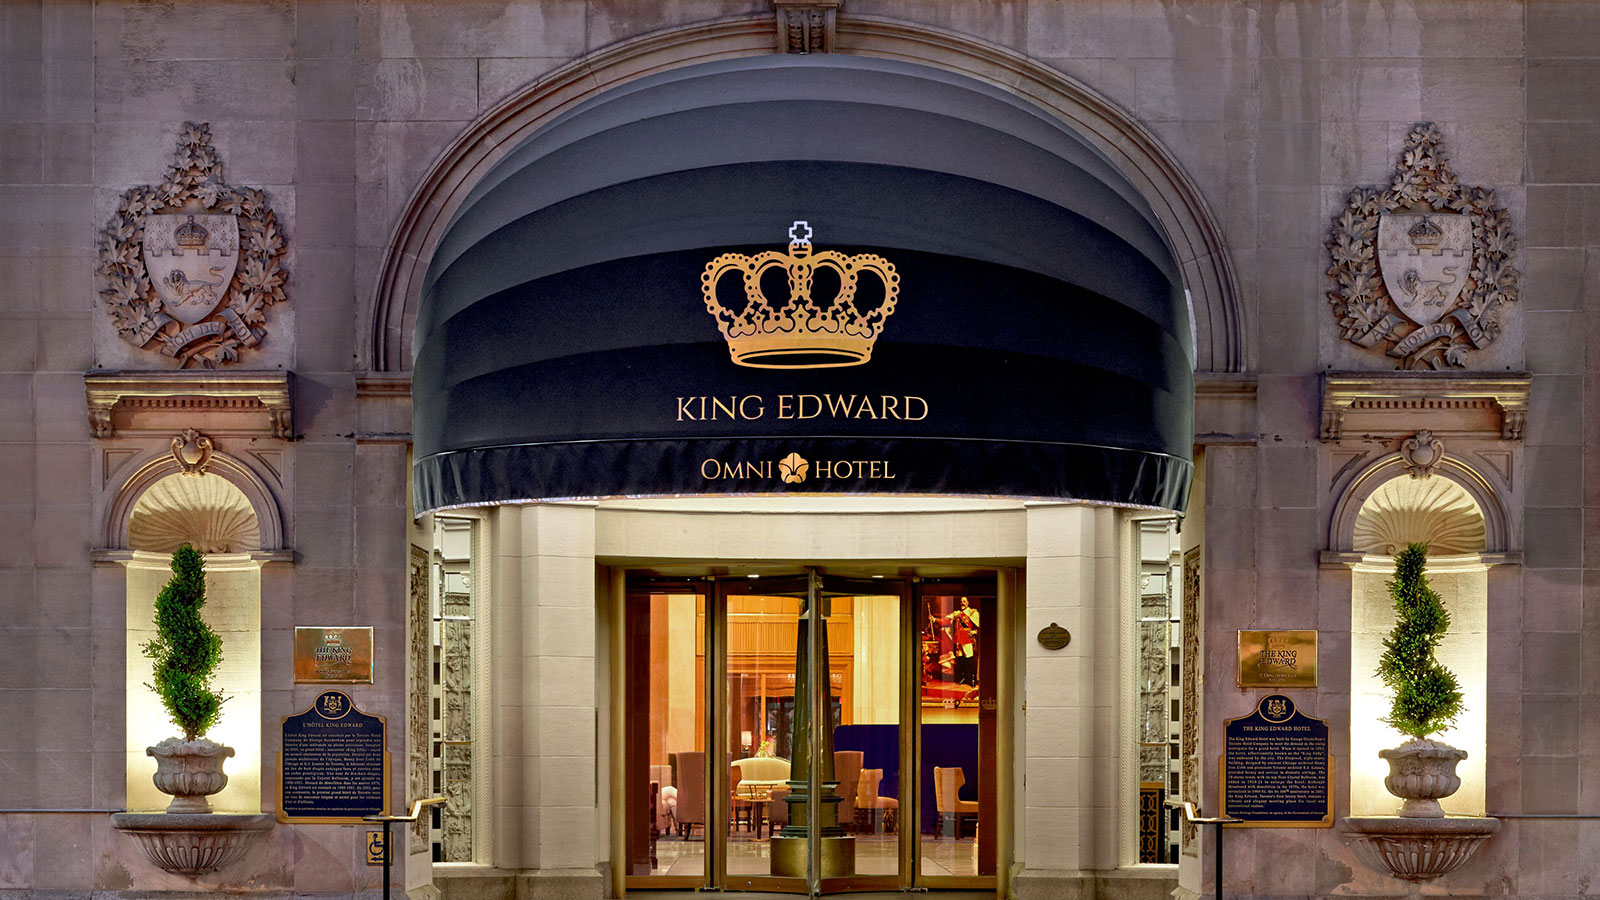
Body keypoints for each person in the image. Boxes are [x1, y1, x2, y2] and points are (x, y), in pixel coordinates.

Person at [946, 597, 980, 686]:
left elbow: (979, 624)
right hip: (958, 639)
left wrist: (974, 631)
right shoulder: (957, 613)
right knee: (960, 659)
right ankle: (963, 677)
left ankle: (972, 679)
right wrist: (934, 619)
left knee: (969, 658)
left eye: (964, 601)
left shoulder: (972, 612)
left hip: (967, 638)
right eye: (961, 601)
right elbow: (946, 620)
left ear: (968, 603)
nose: (962, 603)